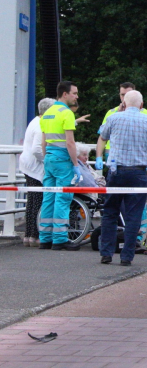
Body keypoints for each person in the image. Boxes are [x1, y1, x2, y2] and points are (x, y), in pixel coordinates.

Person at [95, 90, 147, 266]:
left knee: (110, 212)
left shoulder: (114, 118)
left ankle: (106, 253)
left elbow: (102, 136)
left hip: (116, 171)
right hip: (138, 173)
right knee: (133, 216)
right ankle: (127, 256)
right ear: (142, 105)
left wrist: (100, 158)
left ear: (123, 104)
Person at [38, 81, 82, 251]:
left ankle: (45, 238)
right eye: (74, 93)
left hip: (49, 157)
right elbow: (70, 143)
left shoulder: (47, 113)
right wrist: (76, 164)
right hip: (63, 159)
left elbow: (43, 142)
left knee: (48, 198)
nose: (76, 97)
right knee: (63, 199)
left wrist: (46, 159)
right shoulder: (67, 113)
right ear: (65, 94)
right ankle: (60, 239)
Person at [18, 98, 55, 247]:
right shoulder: (41, 125)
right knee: (38, 200)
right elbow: (37, 150)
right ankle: (36, 234)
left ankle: (29, 235)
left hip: (27, 165)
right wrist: (48, 161)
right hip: (35, 167)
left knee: (32, 200)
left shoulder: (35, 121)